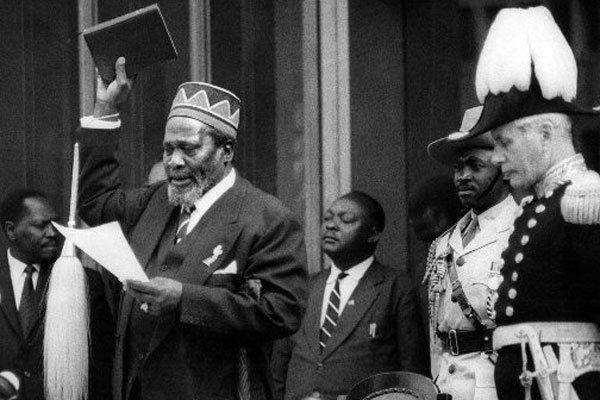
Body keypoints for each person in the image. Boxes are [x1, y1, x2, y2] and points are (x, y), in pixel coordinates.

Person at [77, 58, 307, 400]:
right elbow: (95, 202)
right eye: (168, 149)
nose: (174, 161)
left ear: (226, 151)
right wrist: (106, 108)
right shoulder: (155, 200)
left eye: (189, 149)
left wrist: (184, 299)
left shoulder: (266, 218)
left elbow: (281, 313)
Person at [455, 5, 600, 400]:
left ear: (547, 132)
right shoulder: (537, 206)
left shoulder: (584, 200)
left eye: (504, 141)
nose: (497, 157)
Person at [271, 191, 428, 400]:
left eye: (346, 220)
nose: (331, 225)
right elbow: (279, 367)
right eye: (327, 218)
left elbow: (412, 376)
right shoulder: (303, 287)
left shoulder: (396, 287)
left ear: (373, 233)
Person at [423, 106, 519, 400]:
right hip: (447, 387)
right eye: (458, 167)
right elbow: (436, 333)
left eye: (475, 166)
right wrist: (437, 381)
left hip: (496, 387)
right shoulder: (443, 243)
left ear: (503, 168)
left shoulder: (521, 231)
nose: (462, 176)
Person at [0, 189, 114, 400]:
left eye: (55, 223)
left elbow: (102, 367)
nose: (53, 233)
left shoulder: (85, 282)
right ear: (11, 231)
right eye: (41, 225)